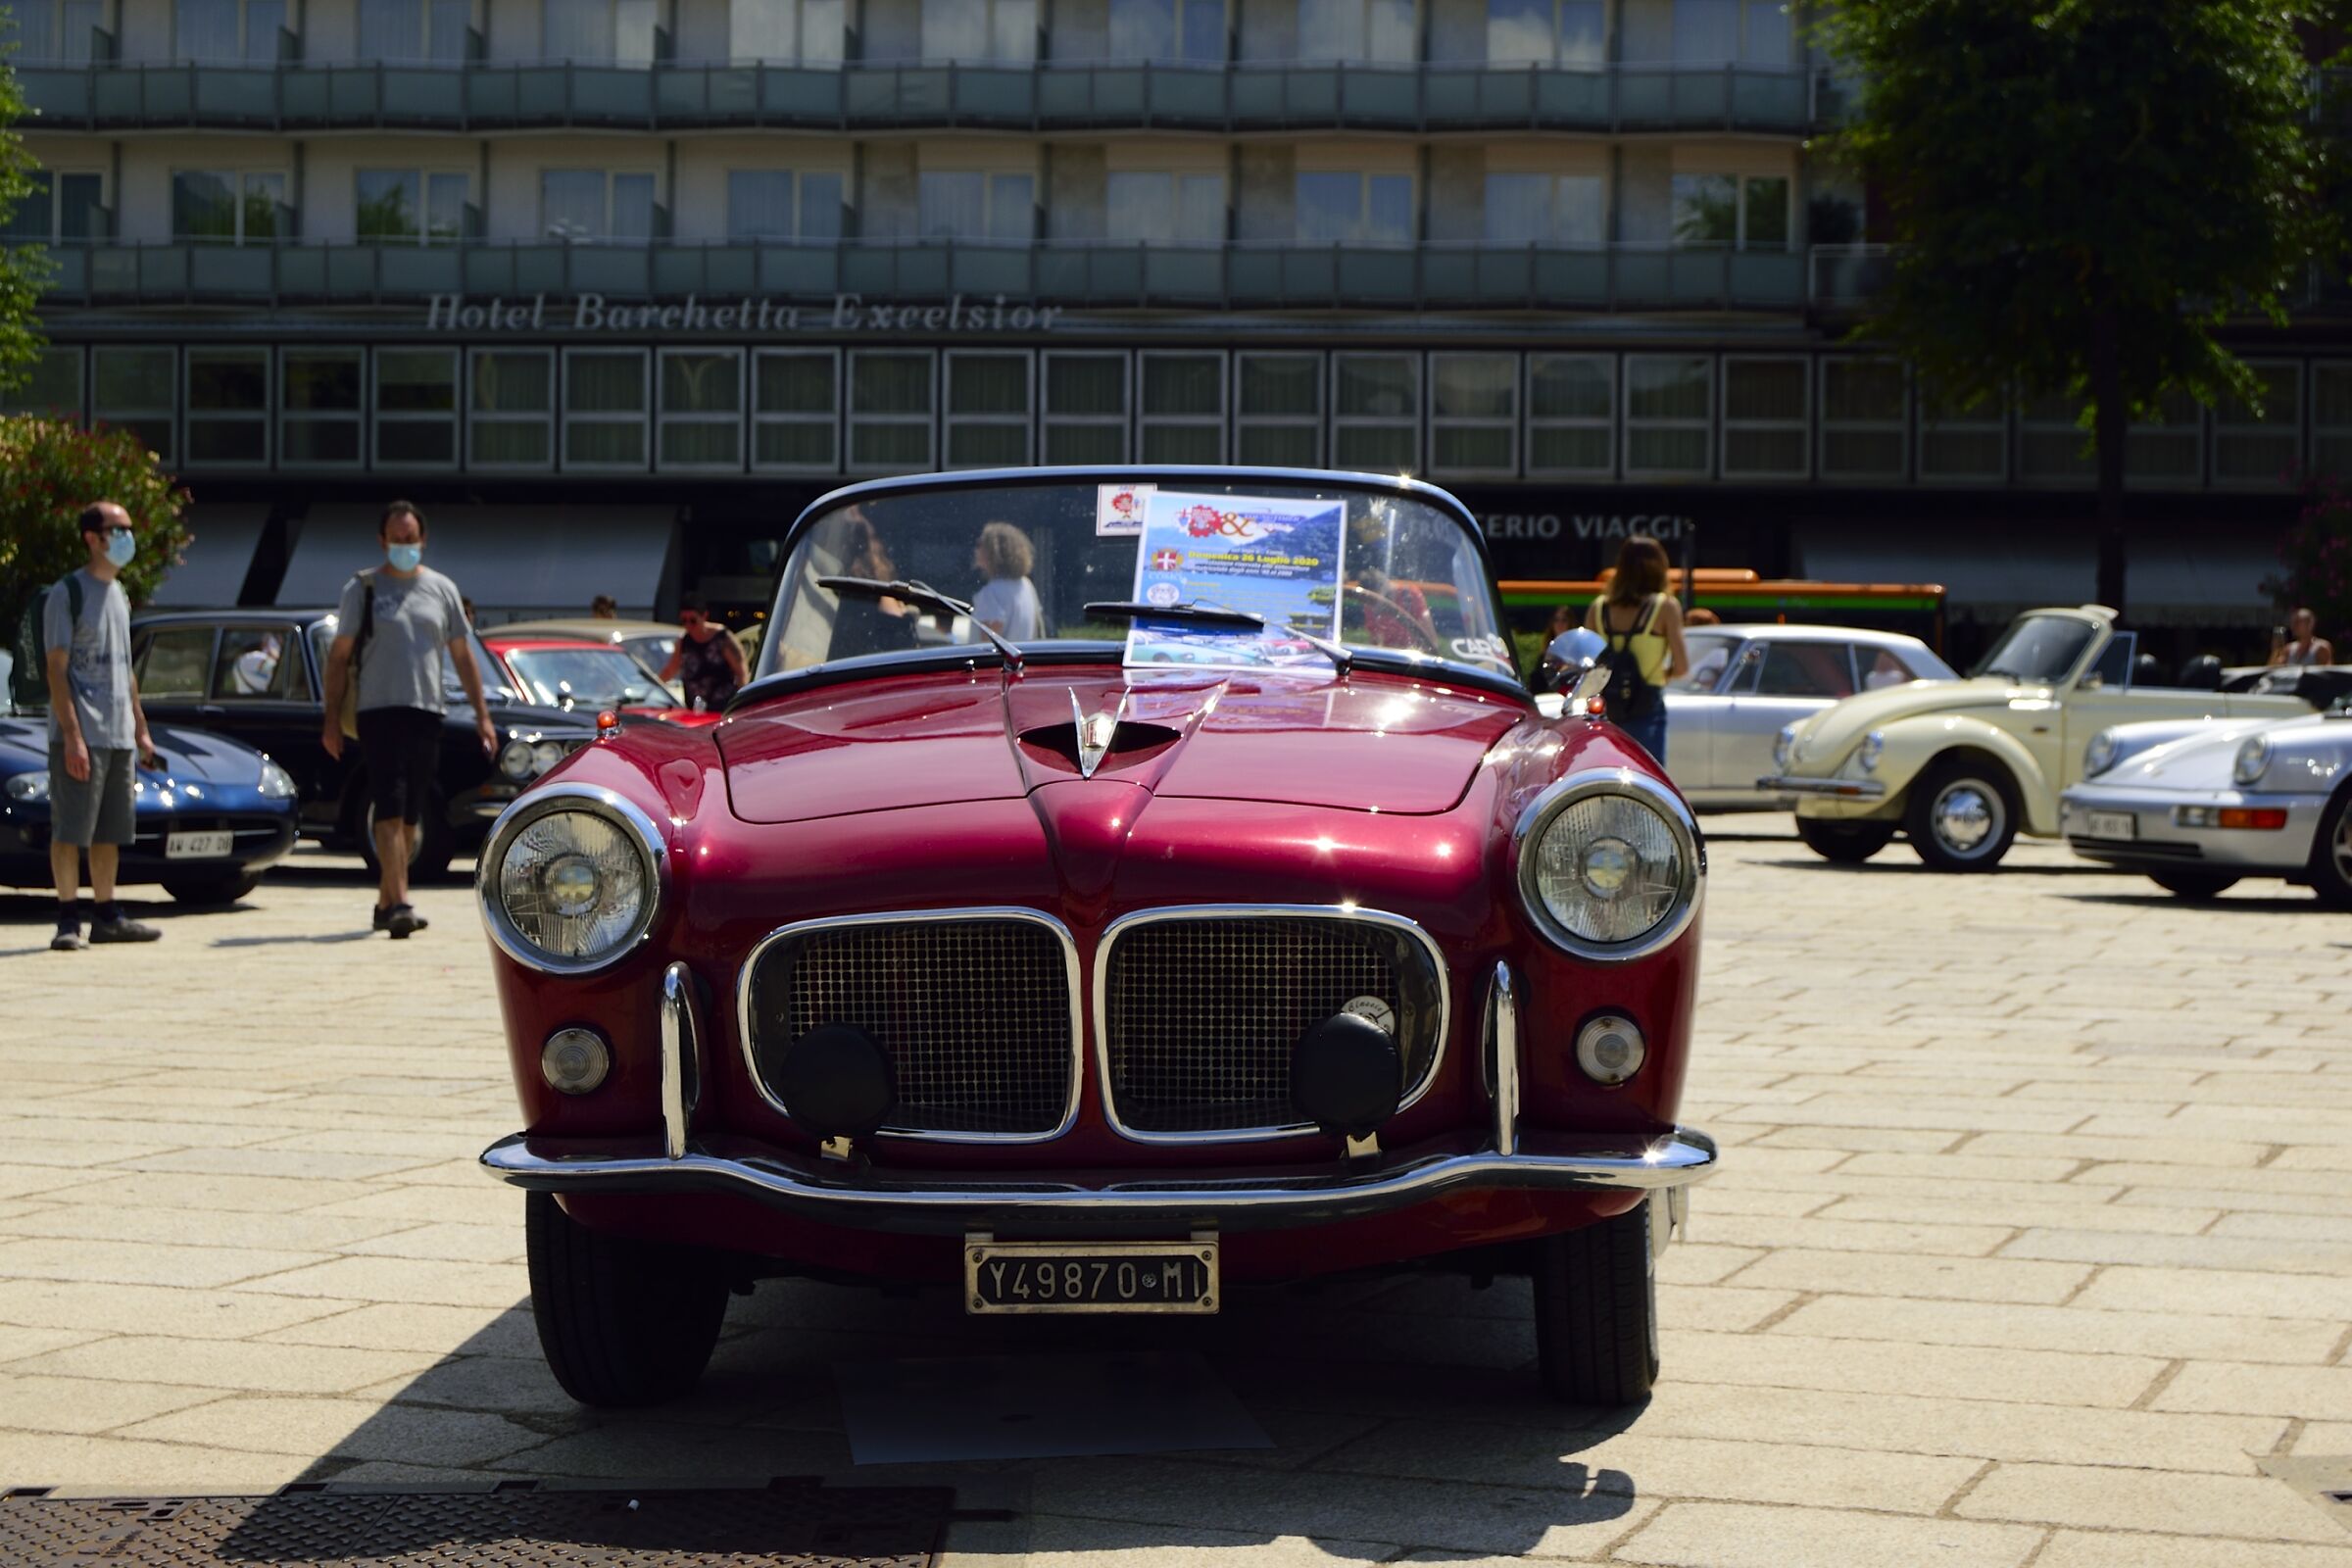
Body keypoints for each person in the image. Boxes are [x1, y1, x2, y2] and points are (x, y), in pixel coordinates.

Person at [320, 500, 496, 940]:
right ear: (383, 541)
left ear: (423, 539)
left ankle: (385, 903)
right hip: (377, 711)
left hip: (427, 711)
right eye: (397, 539)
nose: (404, 545)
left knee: (412, 810)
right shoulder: (362, 589)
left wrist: (483, 716)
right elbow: (339, 657)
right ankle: (400, 901)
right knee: (390, 803)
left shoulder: (442, 589)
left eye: (411, 538)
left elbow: (463, 656)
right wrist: (330, 719)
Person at [42, 502, 163, 951]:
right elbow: (56, 669)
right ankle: (67, 919)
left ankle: (107, 914)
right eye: (119, 529)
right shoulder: (67, 593)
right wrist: (72, 736)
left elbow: (125, 669)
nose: (128, 537)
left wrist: (140, 728)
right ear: (93, 538)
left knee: (110, 831)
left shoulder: (119, 593)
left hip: (117, 734)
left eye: (130, 528)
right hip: (82, 734)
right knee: (70, 830)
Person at [1584, 535, 1690, 763]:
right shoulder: (1665, 606)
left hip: (1606, 706)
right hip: (1646, 704)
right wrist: (1660, 675)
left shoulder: (1599, 608)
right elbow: (1682, 667)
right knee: (1646, 774)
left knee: (1606, 771)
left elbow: (1587, 664)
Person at [662, 591, 748, 710]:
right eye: (684, 620)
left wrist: (741, 702)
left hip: (722, 706)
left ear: (704, 616)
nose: (688, 625)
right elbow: (670, 669)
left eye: (693, 620)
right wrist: (652, 688)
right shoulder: (684, 642)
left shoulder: (722, 638)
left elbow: (741, 671)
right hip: (695, 709)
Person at [971, 521, 1043, 642]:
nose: (976, 550)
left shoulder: (991, 593)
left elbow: (989, 644)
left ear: (994, 552)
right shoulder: (1027, 586)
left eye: (980, 544)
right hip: (1023, 653)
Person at [2270, 608, 2336, 667]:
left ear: (2310, 624)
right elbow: (2274, 669)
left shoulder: (2320, 648)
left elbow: (2327, 673)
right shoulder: (2289, 649)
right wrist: (2275, 651)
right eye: (2293, 622)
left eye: (2298, 622)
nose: (2293, 626)